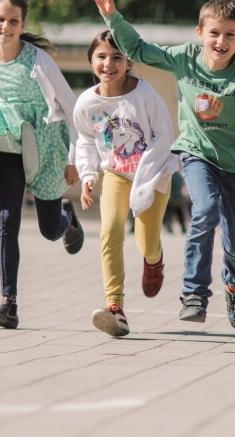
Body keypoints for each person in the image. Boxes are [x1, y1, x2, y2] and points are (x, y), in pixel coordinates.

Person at [82, 0, 235, 329]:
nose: (221, 41)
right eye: (214, 33)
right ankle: (194, 292)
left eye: (230, 34)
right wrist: (112, 15)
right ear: (200, 33)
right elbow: (138, 49)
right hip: (197, 154)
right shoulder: (185, 57)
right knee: (204, 210)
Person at [0, 0, 85, 329]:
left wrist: (75, 159)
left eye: (13, 21)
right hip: (9, 149)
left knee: (47, 229)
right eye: (0, 19)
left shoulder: (38, 61)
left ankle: (66, 218)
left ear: (22, 22)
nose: (6, 27)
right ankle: (8, 304)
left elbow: (72, 108)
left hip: (45, 147)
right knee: (7, 219)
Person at [73, 30, 178, 337]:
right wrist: (89, 176)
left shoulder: (145, 96)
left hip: (154, 173)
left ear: (128, 62)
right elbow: (86, 141)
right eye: (102, 56)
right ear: (91, 61)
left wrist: (147, 174)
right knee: (110, 230)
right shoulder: (87, 103)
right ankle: (115, 306)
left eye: (117, 57)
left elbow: (165, 136)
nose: (109, 63)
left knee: (145, 241)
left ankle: (154, 259)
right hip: (116, 174)